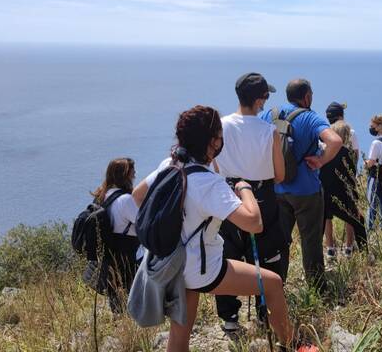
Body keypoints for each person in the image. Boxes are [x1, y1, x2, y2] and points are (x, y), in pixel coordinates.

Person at [132, 105, 294, 351]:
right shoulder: (208, 184)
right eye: (219, 137)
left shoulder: (170, 165)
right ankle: (290, 344)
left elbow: (138, 195)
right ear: (212, 142)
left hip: (171, 262)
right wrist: (244, 189)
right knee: (272, 283)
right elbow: (254, 223)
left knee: (180, 334)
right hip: (201, 269)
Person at [211, 72, 287, 333]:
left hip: (228, 196)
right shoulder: (269, 131)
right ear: (259, 100)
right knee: (267, 257)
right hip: (262, 197)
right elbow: (280, 174)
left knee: (228, 255)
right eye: (265, 97)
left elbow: (214, 166)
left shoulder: (220, 126)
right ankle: (265, 312)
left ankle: (230, 317)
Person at [260, 79, 343, 292]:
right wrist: (322, 160)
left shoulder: (270, 114)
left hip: (277, 187)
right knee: (311, 240)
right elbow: (335, 141)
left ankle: (278, 285)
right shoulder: (310, 117)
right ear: (306, 96)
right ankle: (317, 287)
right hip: (307, 190)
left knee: (280, 241)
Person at [90, 157, 140, 314]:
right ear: (125, 176)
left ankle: (120, 324)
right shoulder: (125, 200)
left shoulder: (101, 196)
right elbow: (143, 223)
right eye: (132, 173)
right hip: (127, 252)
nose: (134, 176)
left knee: (116, 294)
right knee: (130, 291)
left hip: (109, 253)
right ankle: (131, 326)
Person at [319, 120, 367, 260]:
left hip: (324, 195)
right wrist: (354, 197)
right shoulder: (348, 153)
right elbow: (350, 178)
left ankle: (317, 260)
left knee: (318, 228)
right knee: (358, 222)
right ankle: (364, 254)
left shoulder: (323, 151)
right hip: (342, 195)